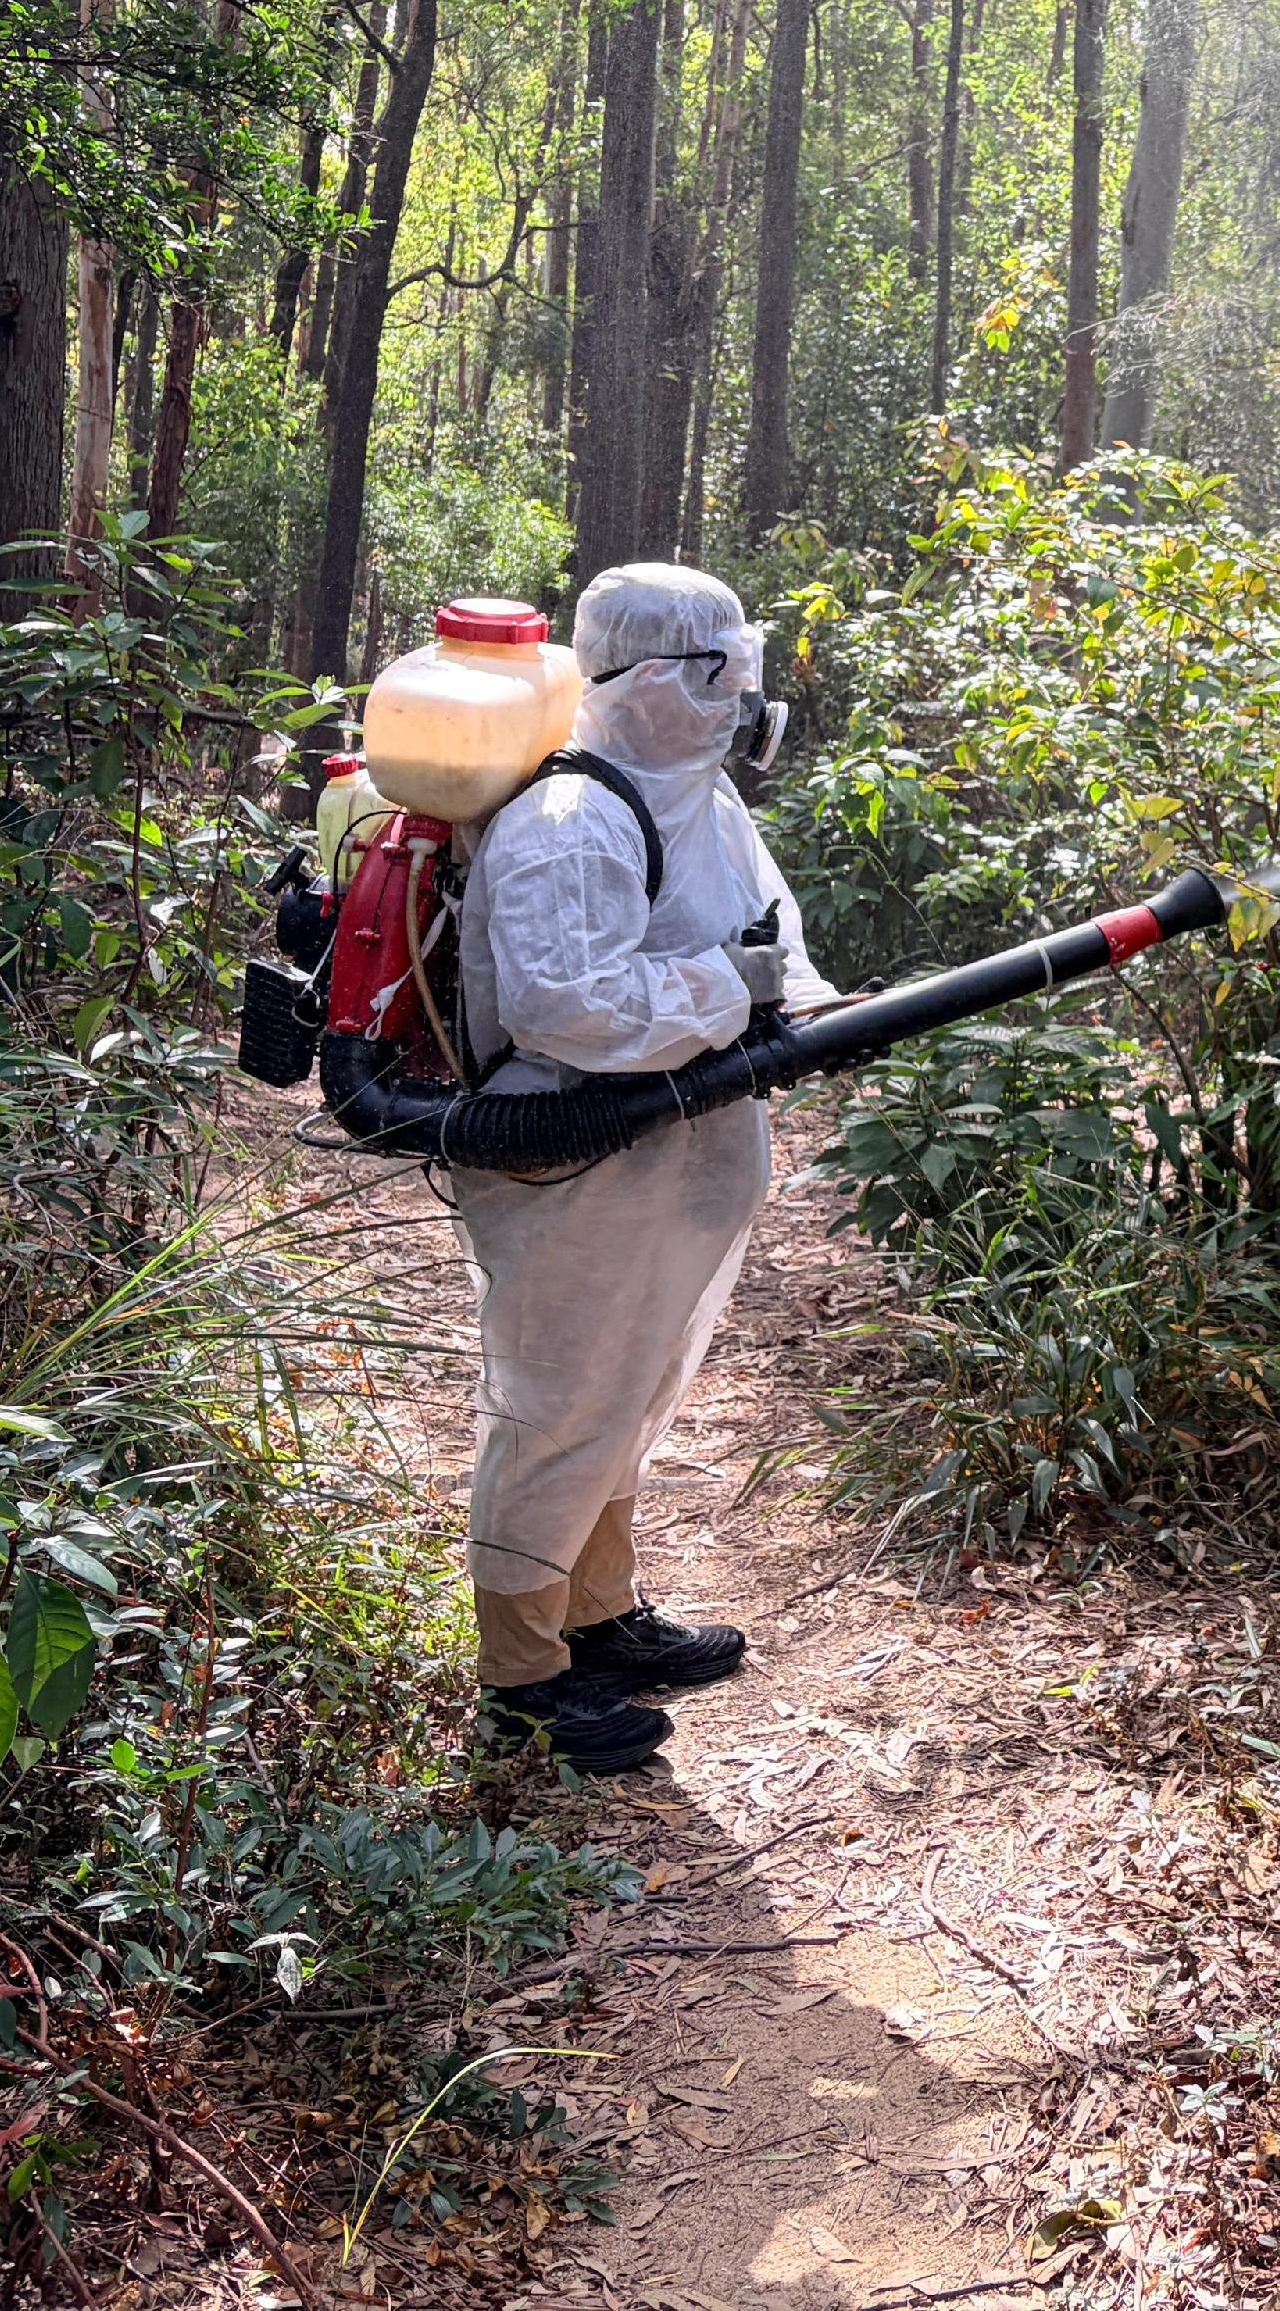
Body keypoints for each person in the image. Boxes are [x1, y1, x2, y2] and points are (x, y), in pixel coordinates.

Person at [450, 562, 827, 1771]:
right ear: (651, 676)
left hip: (679, 1154)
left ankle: (598, 1615)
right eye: (718, 674)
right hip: (576, 1166)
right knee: (558, 1405)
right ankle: (522, 1676)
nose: (741, 701)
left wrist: (806, 1005)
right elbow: (569, 1007)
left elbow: (771, 935)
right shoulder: (572, 820)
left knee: (634, 1389)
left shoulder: (702, 801)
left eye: (743, 671)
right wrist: (736, 991)